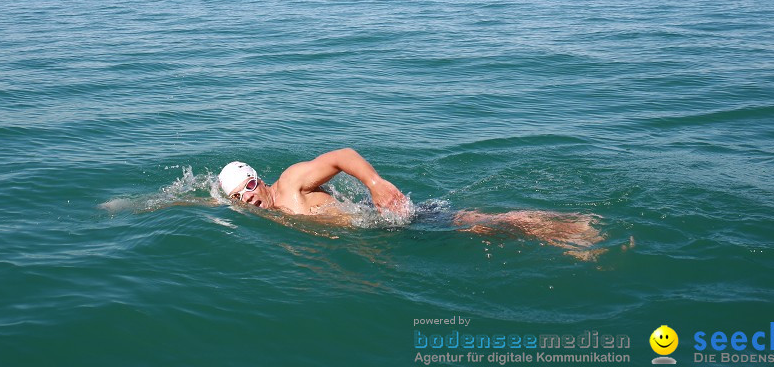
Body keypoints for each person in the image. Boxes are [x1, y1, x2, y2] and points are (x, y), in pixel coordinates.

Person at [218, 148, 606, 259]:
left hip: (386, 220)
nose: (248, 196)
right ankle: (560, 232)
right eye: (239, 196)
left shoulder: (291, 183)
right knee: (470, 230)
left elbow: (341, 155)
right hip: (378, 237)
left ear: (260, 178)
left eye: (249, 185)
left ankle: (569, 227)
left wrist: (374, 183)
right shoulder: (262, 212)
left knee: (470, 223)